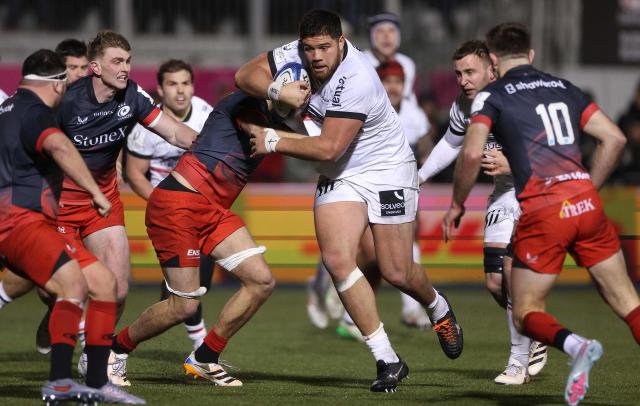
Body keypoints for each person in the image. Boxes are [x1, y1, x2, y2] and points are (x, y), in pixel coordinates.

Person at [235, 9, 463, 392]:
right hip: (343, 175)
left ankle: (438, 307)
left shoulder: (356, 78)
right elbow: (245, 76)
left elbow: (327, 147)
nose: (316, 57)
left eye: (325, 47)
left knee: (396, 271)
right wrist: (277, 90)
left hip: (387, 168)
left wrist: (272, 140)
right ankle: (387, 359)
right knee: (338, 259)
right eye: (309, 49)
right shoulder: (297, 53)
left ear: (342, 43)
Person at [442, 22, 640, 406]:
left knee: (525, 309)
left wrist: (456, 204)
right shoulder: (565, 88)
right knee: (629, 304)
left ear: (493, 61)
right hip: (586, 204)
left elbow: (469, 153)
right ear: (531, 55)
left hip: (544, 212)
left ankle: (577, 346)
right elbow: (614, 138)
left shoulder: (493, 96)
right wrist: (586, 188)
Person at [0, 49, 143, 404]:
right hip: (20, 221)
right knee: (72, 284)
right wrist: (96, 191)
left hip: (27, 222)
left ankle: (96, 382)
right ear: (57, 83)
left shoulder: (7, 109)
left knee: (104, 284)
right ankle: (61, 381)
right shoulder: (34, 111)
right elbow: (60, 146)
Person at [55, 30, 198, 384]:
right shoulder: (67, 102)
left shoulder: (132, 96)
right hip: (57, 204)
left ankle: (95, 357)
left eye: (128, 60)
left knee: (117, 289)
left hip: (102, 206)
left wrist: (218, 147)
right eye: (117, 61)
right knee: (54, 290)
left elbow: (176, 133)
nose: (125, 68)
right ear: (95, 67)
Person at [110, 91, 276, 387]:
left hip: (214, 209)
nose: (307, 92)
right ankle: (116, 350)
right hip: (179, 203)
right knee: (183, 306)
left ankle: (205, 357)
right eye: (301, 85)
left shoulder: (286, 117)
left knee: (261, 281)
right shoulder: (244, 102)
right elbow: (262, 134)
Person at [419, 40, 547, 384]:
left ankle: (517, 363)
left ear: (492, 67)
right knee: (494, 283)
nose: (463, 79)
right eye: (458, 73)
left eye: (470, 71)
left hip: (532, 193)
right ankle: (533, 328)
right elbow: (451, 142)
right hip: (503, 195)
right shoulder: (465, 104)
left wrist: (512, 163)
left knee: (509, 274)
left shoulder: (519, 98)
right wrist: (419, 177)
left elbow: (552, 148)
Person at [332, 61, 433, 340]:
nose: (393, 87)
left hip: (400, 189)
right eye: (387, 81)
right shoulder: (367, 108)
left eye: (397, 82)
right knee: (376, 256)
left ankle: (405, 309)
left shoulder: (415, 117)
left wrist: (420, 177)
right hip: (365, 189)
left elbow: (425, 152)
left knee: (397, 253)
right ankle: (351, 304)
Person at [126, 59, 214, 350]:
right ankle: (201, 350)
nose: (180, 91)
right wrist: (167, 206)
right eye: (172, 84)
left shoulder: (206, 115)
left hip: (204, 209)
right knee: (188, 293)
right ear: (160, 90)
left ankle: (169, 306)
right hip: (171, 214)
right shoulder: (145, 127)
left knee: (194, 288)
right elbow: (135, 175)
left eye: (185, 83)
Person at [363, 13, 416, 104]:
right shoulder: (360, 63)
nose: (386, 36)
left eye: (391, 31)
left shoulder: (407, 64)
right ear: (372, 37)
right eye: (380, 31)